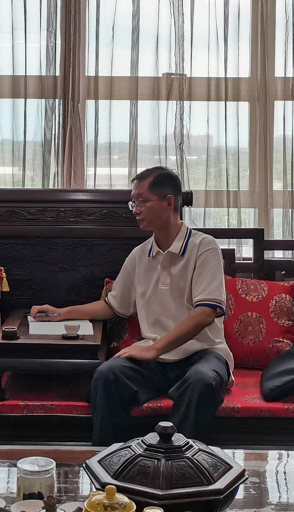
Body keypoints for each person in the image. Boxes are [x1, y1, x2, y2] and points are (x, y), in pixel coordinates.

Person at [31, 166, 231, 445]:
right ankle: (109, 459)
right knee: (107, 375)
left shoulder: (204, 247)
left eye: (142, 202)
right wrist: (61, 313)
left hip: (202, 353)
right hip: (155, 360)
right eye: (133, 203)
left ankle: (175, 460)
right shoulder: (140, 255)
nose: (135, 210)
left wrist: (155, 348)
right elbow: (113, 307)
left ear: (169, 202)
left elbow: (205, 314)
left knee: (202, 381)